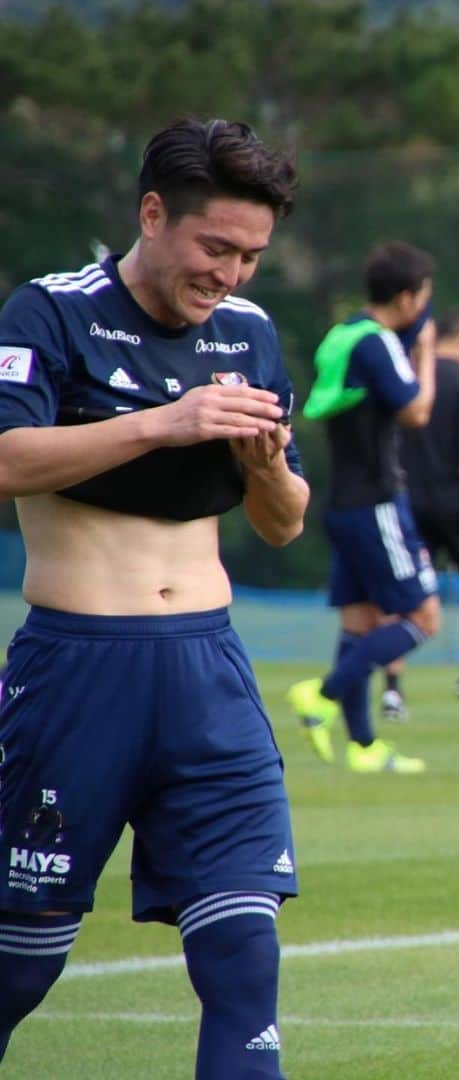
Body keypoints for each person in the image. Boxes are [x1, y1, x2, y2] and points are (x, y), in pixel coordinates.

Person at [0, 118, 306, 1078]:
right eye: (216, 247)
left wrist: (262, 468)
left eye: (252, 256)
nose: (233, 275)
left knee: (242, 959)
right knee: (18, 966)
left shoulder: (250, 335)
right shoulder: (50, 312)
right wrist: (164, 424)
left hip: (206, 674)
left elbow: (285, 521)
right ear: (152, 213)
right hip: (77, 672)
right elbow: (6, 458)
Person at [286, 241, 439, 773]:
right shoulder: (379, 344)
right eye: (423, 297)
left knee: (362, 623)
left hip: (343, 504)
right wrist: (426, 356)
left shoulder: (342, 336)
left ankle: (364, 746)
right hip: (376, 502)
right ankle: (322, 695)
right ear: (406, 297)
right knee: (423, 616)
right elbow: (416, 411)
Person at [382, 306, 459, 720]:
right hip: (455, 503)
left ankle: (393, 691)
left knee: (401, 599)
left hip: (407, 501)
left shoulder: (409, 375)